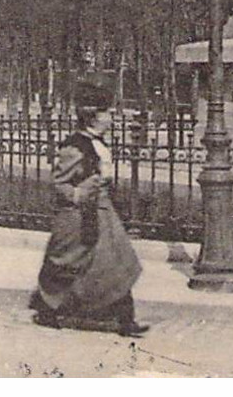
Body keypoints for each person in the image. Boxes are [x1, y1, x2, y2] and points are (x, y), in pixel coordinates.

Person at [28, 86, 147, 337]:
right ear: (94, 117)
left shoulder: (98, 143)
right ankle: (49, 309)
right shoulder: (75, 147)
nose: (112, 118)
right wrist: (78, 193)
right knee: (68, 261)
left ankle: (126, 320)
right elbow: (59, 182)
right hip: (82, 215)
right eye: (108, 114)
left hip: (103, 211)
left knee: (119, 262)